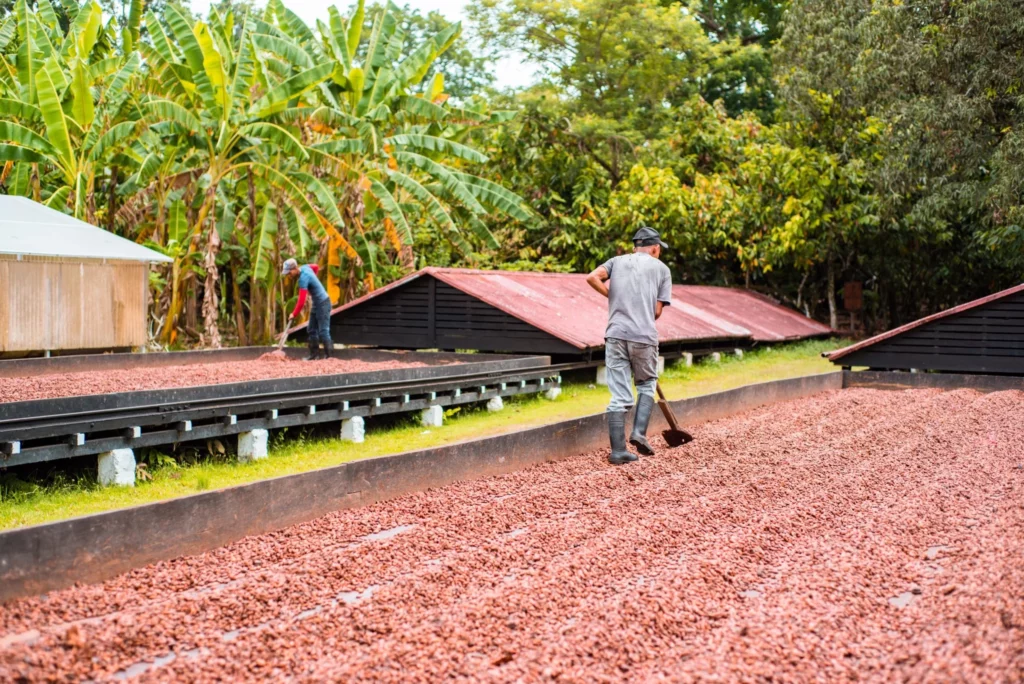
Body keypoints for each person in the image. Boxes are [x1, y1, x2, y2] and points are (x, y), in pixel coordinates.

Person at [586, 226, 672, 465]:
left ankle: (618, 451)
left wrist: (613, 297)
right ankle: (639, 433)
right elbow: (656, 311)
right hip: (643, 336)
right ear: (655, 247)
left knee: (619, 394)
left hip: (615, 335)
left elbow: (592, 277)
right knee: (646, 385)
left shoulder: (616, 261)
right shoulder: (662, 270)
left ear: (635, 246)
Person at [282, 258, 334, 360]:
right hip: (317, 303)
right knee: (311, 329)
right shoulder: (305, 267)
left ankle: (330, 357)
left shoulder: (303, 279)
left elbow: (301, 301)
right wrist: (313, 282)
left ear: (294, 269)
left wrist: (294, 314)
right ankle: (314, 355)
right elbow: (316, 267)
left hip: (323, 303)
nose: (289, 275)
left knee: (323, 331)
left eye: (289, 273)